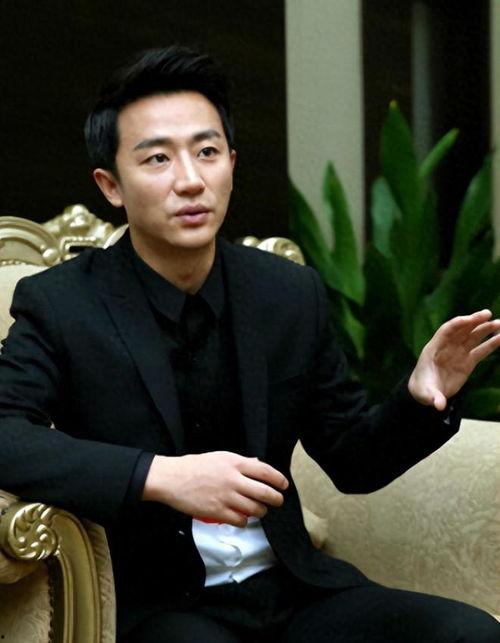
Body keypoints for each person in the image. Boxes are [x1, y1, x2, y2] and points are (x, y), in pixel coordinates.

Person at [1, 46, 499, 643]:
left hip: (293, 590)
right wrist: (159, 476)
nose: (190, 180)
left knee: (467, 633)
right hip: (161, 605)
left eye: (207, 152)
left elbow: (351, 461)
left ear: (231, 164)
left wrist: (420, 398)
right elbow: (5, 432)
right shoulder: (62, 304)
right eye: (157, 158)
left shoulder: (287, 293)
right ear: (112, 186)